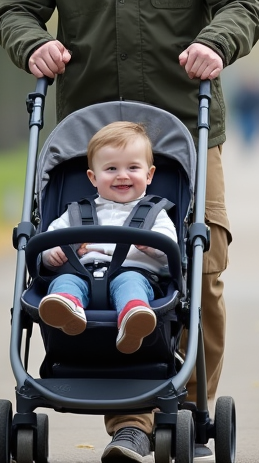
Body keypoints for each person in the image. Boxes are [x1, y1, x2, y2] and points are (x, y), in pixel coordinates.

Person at [0, 0, 259, 463]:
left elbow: (242, 2)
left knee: (199, 271)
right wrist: (33, 44)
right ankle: (134, 426)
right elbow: (16, 10)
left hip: (185, 136)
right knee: (94, 268)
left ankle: (187, 410)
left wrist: (217, 43)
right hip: (95, 143)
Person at [39, 122, 176, 354]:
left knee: (131, 284)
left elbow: (170, 248)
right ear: (93, 177)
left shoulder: (155, 214)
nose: (122, 176)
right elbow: (50, 237)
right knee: (64, 283)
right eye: (111, 169)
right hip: (81, 272)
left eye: (133, 167)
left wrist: (151, 246)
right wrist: (50, 255)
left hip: (134, 271)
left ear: (149, 174)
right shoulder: (77, 213)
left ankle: (133, 318)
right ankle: (67, 309)